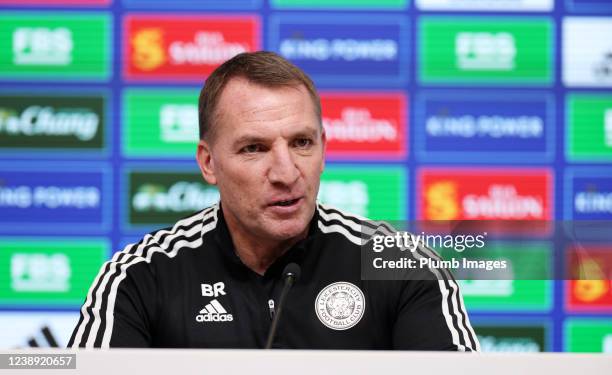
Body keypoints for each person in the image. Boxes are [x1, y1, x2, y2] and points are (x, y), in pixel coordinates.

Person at [68, 51, 479, 350]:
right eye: (254, 148)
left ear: (324, 149)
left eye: (302, 143)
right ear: (208, 163)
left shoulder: (403, 266)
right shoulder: (141, 277)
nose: (286, 173)